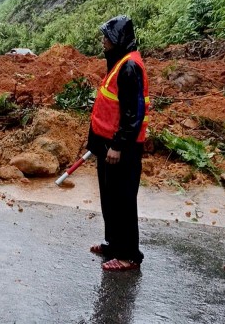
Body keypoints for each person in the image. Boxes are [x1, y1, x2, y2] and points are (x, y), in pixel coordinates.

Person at [87, 15, 150, 272]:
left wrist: (118, 145)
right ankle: (113, 243)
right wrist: (96, 143)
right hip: (107, 144)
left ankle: (128, 255)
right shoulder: (119, 64)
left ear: (118, 41)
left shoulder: (129, 68)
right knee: (109, 198)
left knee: (123, 200)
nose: (103, 42)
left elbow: (133, 115)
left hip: (122, 148)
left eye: (107, 38)